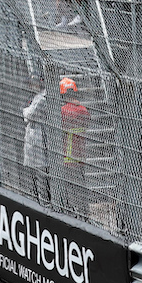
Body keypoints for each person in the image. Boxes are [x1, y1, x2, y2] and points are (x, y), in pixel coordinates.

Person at [60, 77, 90, 210]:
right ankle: (84, 209)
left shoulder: (63, 111)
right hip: (81, 153)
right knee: (81, 183)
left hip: (67, 154)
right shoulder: (83, 110)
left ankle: (73, 209)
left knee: (71, 186)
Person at [22, 75, 51, 203]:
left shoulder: (42, 98)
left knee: (41, 172)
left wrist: (26, 112)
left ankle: (44, 200)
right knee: (35, 172)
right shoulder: (37, 97)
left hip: (40, 137)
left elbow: (30, 114)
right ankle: (39, 199)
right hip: (35, 137)